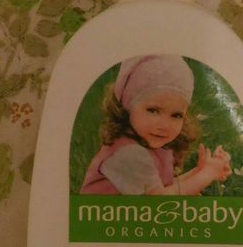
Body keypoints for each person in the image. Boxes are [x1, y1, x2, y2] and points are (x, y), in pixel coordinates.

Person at [79, 55, 231, 195]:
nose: (164, 125)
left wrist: (199, 171)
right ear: (128, 105)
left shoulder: (147, 145)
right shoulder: (129, 154)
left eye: (176, 115)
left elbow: (164, 188)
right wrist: (208, 173)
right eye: (153, 110)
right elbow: (159, 200)